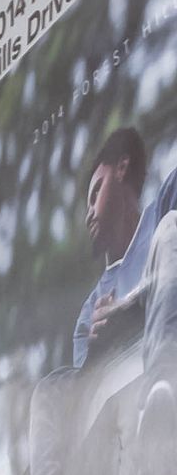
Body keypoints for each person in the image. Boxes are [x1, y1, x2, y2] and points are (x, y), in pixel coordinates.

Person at [77, 121, 168, 368]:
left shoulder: (166, 206)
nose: (88, 215)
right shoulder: (89, 314)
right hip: (128, 384)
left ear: (121, 168)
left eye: (95, 193)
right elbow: (82, 385)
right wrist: (98, 348)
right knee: (53, 382)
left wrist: (129, 312)